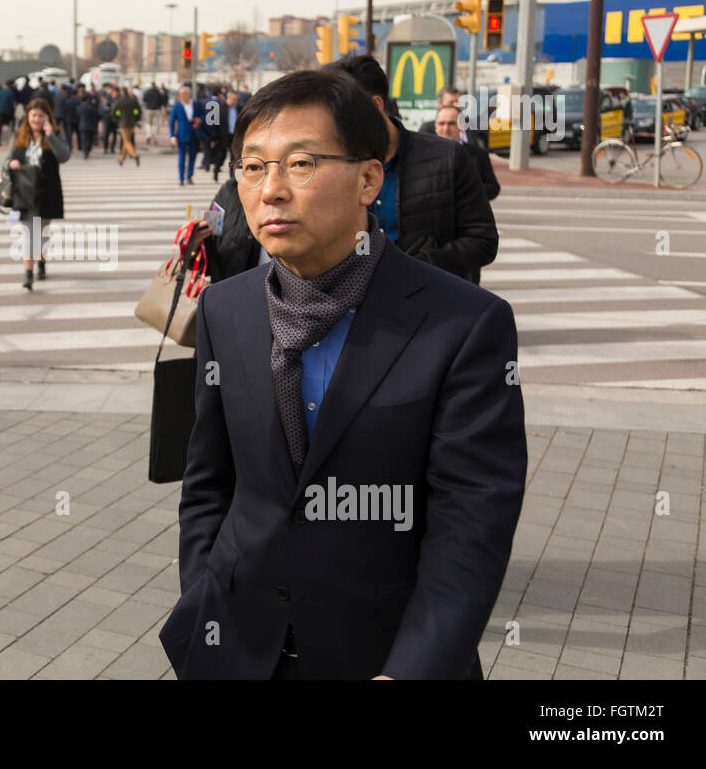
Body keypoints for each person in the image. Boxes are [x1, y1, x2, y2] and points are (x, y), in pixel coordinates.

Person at [158, 69, 526, 680]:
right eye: (252, 167)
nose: (270, 189)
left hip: (384, 658)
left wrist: (411, 671)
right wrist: (202, 605)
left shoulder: (462, 325)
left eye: (300, 164)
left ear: (368, 178)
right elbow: (209, 485)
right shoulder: (227, 309)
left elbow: (471, 529)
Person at [328, 56, 497, 284]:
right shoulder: (333, 164)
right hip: (359, 303)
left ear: (376, 106)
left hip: (432, 303)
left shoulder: (448, 157)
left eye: (341, 113)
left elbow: (483, 241)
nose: (334, 123)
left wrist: (427, 261)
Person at [8, 97, 70, 290]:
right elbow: (10, 158)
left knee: (42, 233)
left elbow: (64, 156)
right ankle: (28, 274)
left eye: (41, 116)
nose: (36, 119)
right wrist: (12, 164)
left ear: (47, 117)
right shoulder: (20, 136)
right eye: (34, 115)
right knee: (28, 234)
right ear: (28, 116)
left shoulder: (55, 135)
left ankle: (41, 262)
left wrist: (50, 135)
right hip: (25, 194)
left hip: (46, 192)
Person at [434, 104, 499, 202]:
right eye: (441, 123)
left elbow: (493, 187)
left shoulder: (479, 154)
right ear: (435, 126)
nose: (446, 128)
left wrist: (469, 193)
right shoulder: (423, 154)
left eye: (451, 123)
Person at [169, 84, 207, 186]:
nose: (182, 96)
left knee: (192, 157)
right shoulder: (176, 106)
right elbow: (172, 122)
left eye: (184, 94)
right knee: (181, 157)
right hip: (181, 136)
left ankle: (189, 176)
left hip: (194, 135)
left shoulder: (197, 104)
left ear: (189, 94)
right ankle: (181, 178)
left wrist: (200, 119)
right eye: (180, 94)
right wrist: (172, 136)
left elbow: (204, 115)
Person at [112, 86, 141, 166]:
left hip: (123, 123)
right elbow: (138, 111)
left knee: (126, 141)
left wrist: (119, 115)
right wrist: (134, 117)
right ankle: (121, 159)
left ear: (122, 92)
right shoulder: (133, 100)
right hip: (132, 123)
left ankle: (134, 154)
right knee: (126, 141)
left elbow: (114, 112)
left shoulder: (119, 101)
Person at [76, 92, 99, 160]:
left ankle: (85, 152)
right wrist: (95, 126)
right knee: (89, 139)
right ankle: (88, 150)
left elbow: (77, 117)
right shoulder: (91, 107)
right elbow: (94, 118)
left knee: (83, 140)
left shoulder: (78, 108)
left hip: (82, 125)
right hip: (90, 126)